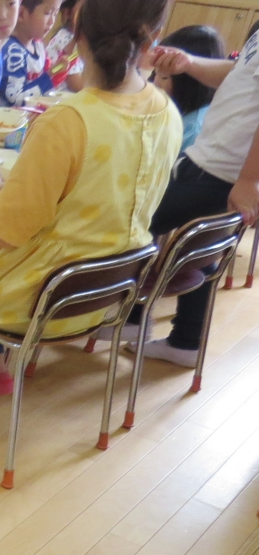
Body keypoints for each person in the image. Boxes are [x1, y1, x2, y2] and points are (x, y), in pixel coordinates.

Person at [0, 0, 180, 414]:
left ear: (76, 33)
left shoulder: (68, 121)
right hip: (109, 290)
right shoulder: (165, 110)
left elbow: (5, 231)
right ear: (151, 37)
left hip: (41, 293)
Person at [101, 24, 259, 366]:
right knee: (198, 249)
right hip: (213, 164)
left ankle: (132, 319)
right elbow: (242, 74)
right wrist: (191, 63)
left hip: (220, 171)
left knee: (135, 221)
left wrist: (249, 179)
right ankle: (183, 339)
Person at [152, 25, 223, 151]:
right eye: (156, 72)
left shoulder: (192, 129)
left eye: (164, 77)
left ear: (188, 83)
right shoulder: (180, 107)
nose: (155, 83)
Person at [0, 0, 61, 105]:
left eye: (55, 14)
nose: (52, 21)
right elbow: (15, 100)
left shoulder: (38, 45)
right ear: (21, 13)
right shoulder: (13, 52)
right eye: (47, 13)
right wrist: (48, 78)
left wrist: (54, 71)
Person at [44, 0, 85, 91]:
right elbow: (77, 86)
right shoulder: (65, 40)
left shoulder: (81, 40)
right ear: (67, 13)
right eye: (85, 8)